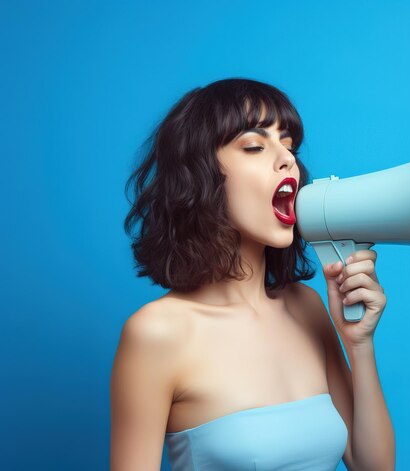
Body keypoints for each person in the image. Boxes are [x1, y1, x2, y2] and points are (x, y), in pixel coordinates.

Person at [110, 78, 395, 471]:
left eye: (289, 146)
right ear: (201, 174)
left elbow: (372, 466)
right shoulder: (157, 333)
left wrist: (359, 345)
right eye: (255, 146)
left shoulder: (306, 308)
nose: (287, 159)